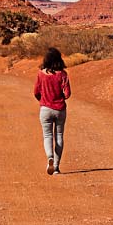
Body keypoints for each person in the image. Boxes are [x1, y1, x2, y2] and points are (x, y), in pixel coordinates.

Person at [34, 47, 71, 175]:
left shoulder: (40, 73)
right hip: (60, 109)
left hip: (45, 109)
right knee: (59, 136)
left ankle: (49, 156)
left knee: (47, 136)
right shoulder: (63, 74)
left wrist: (43, 99)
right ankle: (56, 166)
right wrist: (59, 96)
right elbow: (67, 94)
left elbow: (36, 92)